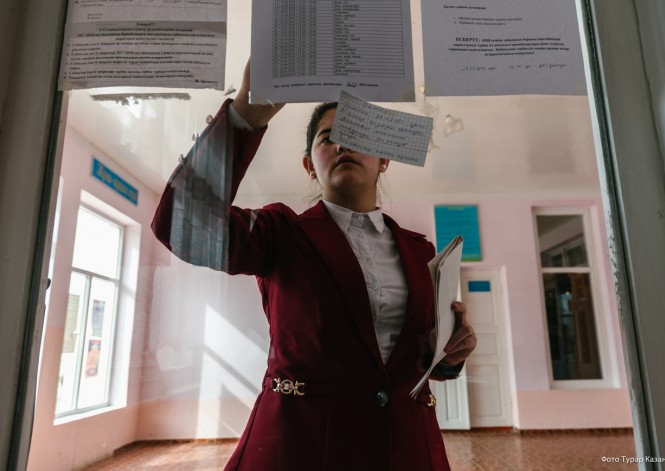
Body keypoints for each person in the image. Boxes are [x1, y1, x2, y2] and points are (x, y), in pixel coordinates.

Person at [152, 62, 477, 471]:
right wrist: (243, 117)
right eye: (328, 138)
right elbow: (181, 225)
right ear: (309, 165)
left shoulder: (420, 251)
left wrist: (449, 355)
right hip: (300, 447)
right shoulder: (280, 233)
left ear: (384, 160)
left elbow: (415, 360)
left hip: (406, 448)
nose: (343, 145)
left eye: (357, 136)